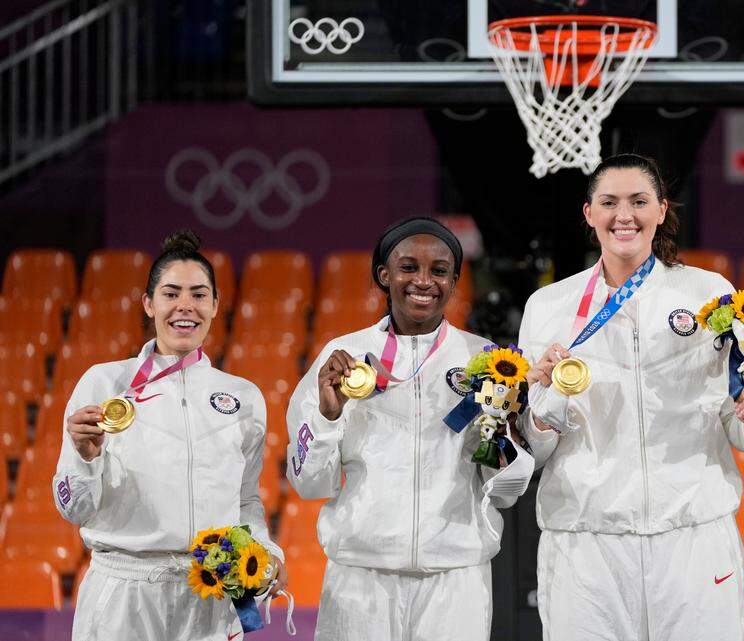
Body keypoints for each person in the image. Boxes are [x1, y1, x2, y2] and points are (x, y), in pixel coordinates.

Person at [518, 153, 744, 641]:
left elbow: (731, 414)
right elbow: (535, 446)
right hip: (586, 543)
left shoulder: (709, 294)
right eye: (609, 202)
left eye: (639, 201)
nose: (624, 215)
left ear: (661, 209)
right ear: (588, 213)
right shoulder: (549, 307)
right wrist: (547, 398)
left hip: (692, 536)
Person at [287, 217, 534, 641]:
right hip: (360, 577)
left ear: (455, 280)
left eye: (439, 270)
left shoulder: (489, 362)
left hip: (455, 578)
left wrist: (497, 433)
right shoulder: (342, 358)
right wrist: (327, 419)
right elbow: (309, 484)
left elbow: (509, 489)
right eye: (408, 267)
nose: (424, 281)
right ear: (384, 275)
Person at [54, 230, 287, 641]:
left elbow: (246, 499)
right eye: (171, 293)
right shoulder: (105, 383)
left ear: (216, 305)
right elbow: (73, 508)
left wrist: (266, 552)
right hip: (124, 595)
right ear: (149, 303)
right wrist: (86, 459)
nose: (185, 306)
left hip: (209, 595)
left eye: (199, 295)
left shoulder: (242, 396)